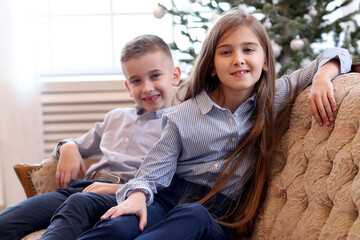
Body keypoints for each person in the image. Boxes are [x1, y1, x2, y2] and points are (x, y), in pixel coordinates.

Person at [76, 9, 352, 240]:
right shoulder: (183, 115)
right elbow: (152, 172)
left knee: (192, 214)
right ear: (211, 66)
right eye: (226, 52)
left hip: (216, 214)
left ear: (265, 60)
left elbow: (337, 52)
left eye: (248, 49)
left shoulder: (272, 99)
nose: (238, 59)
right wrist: (136, 196)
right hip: (169, 196)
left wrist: (321, 78)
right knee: (118, 226)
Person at [0, 34, 181, 240]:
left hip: (122, 195)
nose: (147, 87)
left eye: (155, 76)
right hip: (83, 187)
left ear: (174, 76)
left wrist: (122, 189)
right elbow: (78, 144)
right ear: (128, 87)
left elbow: (172, 182)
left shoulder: (177, 125)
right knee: (7, 222)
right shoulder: (116, 117)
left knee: (77, 205)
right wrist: (68, 147)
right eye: (136, 80)